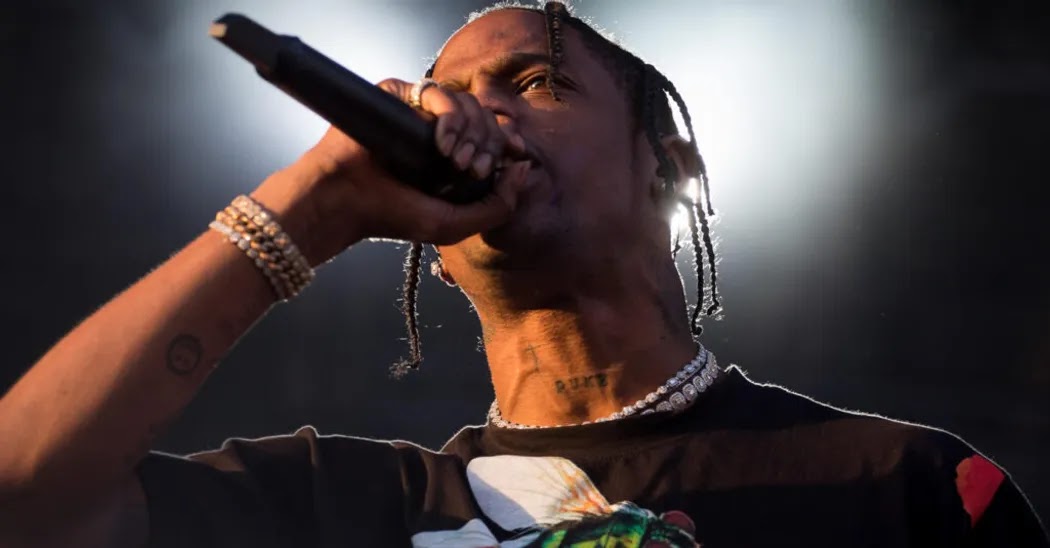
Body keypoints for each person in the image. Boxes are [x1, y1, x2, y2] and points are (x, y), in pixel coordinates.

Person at [0, 2, 1046, 547]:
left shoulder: (905, 488)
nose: (473, 112)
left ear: (669, 166)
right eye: (446, 93)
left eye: (535, 81)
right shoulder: (342, 506)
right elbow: (23, 501)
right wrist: (310, 207)